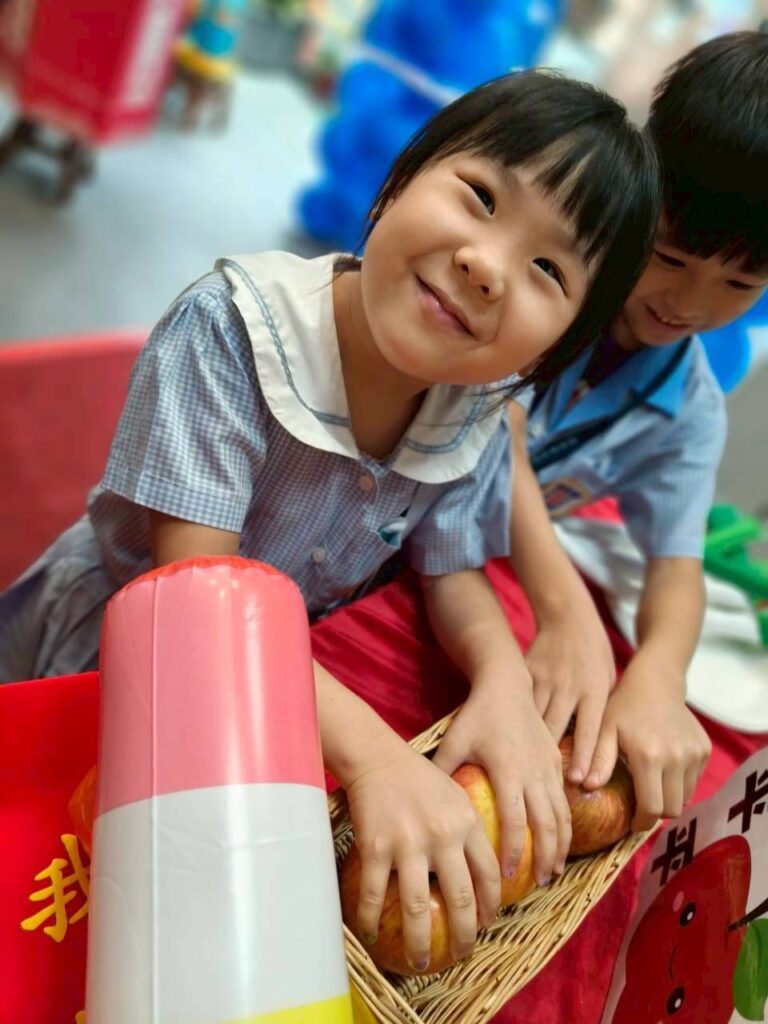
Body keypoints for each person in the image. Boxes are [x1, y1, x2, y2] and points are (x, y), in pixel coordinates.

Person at [0, 70, 658, 972]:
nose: (486, 264)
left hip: (281, 685)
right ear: (397, 183)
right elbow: (194, 596)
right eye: (479, 197)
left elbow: (452, 566)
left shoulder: (470, 406)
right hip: (121, 656)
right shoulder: (231, 335)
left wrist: (502, 677)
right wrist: (377, 762)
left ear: (552, 352)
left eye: (549, 270)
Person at [505, 31, 768, 835]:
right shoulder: (531, 276)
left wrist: (658, 672)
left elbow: (676, 567)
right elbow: (489, 435)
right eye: (670, 257)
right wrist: (564, 609)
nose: (690, 305)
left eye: (740, 283)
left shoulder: (689, 408)